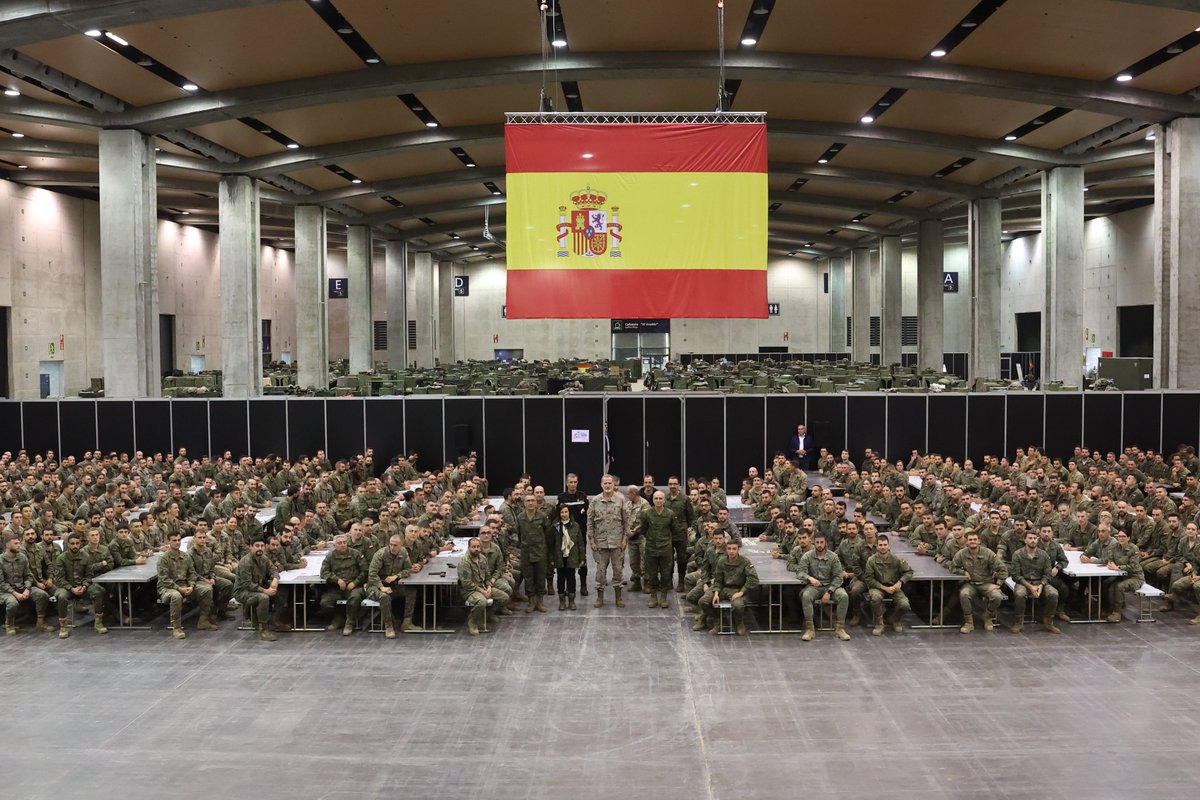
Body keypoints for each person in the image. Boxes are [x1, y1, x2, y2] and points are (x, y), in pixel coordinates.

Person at [157, 531, 215, 639]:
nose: (177, 542)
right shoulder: (163, 559)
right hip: (168, 588)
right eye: (174, 540)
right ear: (168, 542)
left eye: (179, 540)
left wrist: (191, 586)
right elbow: (164, 579)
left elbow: (192, 574)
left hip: (185, 585)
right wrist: (179, 589)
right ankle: (176, 627)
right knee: (176, 596)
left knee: (206, 589)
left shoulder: (185, 556)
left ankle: (203, 620)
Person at [797, 532, 851, 641]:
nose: (819, 545)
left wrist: (829, 592)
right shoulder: (807, 556)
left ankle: (840, 628)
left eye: (822, 542)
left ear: (826, 543)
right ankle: (810, 629)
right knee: (806, 595)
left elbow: (838, 577)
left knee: (844, 596)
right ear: (814, 543)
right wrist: (810, 578)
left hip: (831, 586)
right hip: (815, 586)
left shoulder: (833, 557)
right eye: (817, 542)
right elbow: (800, 572)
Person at [52, 533, 107, 638]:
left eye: (77, 543)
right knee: (61, 596)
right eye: (72, 544)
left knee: (98, 591)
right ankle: (64, 626)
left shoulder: (86, 557)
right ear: (68, 544)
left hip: (82, 586)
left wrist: (84, 586)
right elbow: (59, 579)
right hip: (67, 587)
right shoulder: (61, 558)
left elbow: (89, 576)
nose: (75, 546)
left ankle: (98, 622)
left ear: (80, 544)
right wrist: (71, 589)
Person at [951, 532, 1007, 634]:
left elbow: (1003, 569)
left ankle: (987, 616)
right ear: (967, 542)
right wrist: (963, 572)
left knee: (997, 596)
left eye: (974, 539)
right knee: (964, 594)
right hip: (970, 583)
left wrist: (998, 584)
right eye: (970, 540)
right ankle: (969, 622)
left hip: (986, 583)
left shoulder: (988, 553)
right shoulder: (961, 554)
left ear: (979, 541)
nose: (972, 542)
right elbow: (953, 567)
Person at [699, 539, 759, 635]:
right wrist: (716, 592)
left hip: (738, 589)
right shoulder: (721, 561)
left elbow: (753, 579)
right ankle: (718, 622)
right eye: (729, 549)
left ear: (738, 550)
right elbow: (718, 580)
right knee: (703, 601)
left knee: (738, 605)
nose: (731, 551)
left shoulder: (745, 562)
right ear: (726, 550)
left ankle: (739, 622)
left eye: (734, 549)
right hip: (723, 588)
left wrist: (741, 592)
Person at [586, 474, 628, 608]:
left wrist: (625, 540)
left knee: (618, 570)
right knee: (600, 571)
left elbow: (626, 521)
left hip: (617, 542)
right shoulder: (595, 501)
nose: (608, 485)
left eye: (610, 483)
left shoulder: (621, 500)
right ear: (601, 484)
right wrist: (591, 540)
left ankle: (618, 597)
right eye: (605, 483)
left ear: (613, 484)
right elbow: (590, 522)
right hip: (600, 542)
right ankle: (600, 597)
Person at [1008, 530, 1061, 634]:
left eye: (1034, 538)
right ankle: (1019, 622)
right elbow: (1016, 576)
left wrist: (1041, 585)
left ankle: (1048, 621)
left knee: (1053, 593)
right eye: (1030, 538)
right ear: (1025, 540)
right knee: (1020, 594)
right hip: (1023, 582)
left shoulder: (1043, 555)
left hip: (1040, 582)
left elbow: (1048, 574)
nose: (1032, 541)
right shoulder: (1018, 554)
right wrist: (1030, 587)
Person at [639, 490, 683, 609]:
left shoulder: (670, 514)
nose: (658, 500)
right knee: (652, 574)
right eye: (656, 498)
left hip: (665, 549)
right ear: (653, 500)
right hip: (651, 549)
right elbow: (643, 529)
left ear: (664, 500)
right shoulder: (647, 514)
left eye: (660, 498)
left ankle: (663, 597)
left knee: (665, 574)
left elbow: (675, 530)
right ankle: (653, 596)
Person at [863, 535, 912, 636]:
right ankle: (879, 623)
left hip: (894, 586)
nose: (883, 547)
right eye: (880, 545)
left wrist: (900, 582)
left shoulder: (896, 559)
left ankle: (894, 619)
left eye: (885, 545)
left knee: (905, 605)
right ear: (876, 546)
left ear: (889, 546)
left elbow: (908, 572)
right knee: (875, 598)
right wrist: (884, 588)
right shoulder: (871, 560)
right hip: (878, 587)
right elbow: (868, 579)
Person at [459, 536, 509, 635]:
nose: (476, 549)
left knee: (504, 597)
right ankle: (472, 621)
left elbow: (487, 576)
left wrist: (489, 587)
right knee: (482, 602)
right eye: (473, 547)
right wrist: (483, 592)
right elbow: (467, 583)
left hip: (483, 587)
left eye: (478, 547)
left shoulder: (482, 559)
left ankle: (485, 615)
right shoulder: (465, 562)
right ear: (469, 548)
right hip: (470, 591)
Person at [367, 533, 413, 638]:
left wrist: (396, 576)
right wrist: (381, 587)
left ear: (401, 545)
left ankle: (407, 621)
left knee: (411, 591)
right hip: (375, 585)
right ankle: (389, 626)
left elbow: (408, 569)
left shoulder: (403, 552)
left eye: (395, 545)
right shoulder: (380, 554)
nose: (392, 547)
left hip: (393, 584)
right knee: (384, 597)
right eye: (391, 544)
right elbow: (372, 574)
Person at [0, 534, 49, 635]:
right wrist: (15, 593)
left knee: (42, 595)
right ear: (8, 545)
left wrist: (27, 588)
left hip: (22, 587)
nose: (19, 546)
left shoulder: (22, 557)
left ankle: (40, 622)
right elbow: (1, 583)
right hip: (5, 590)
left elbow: (28, 575)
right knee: (12, 603)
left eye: (19, 543)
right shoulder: (1, 561)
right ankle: (9, 624)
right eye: (16, 543)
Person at [234, 535, 279, 641]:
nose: (260, 548)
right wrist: (266, 591)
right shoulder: (246, 562)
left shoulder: (263, 558)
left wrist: (275, 580)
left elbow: (273, 569)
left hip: (255, 588)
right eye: (257, 546)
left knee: (278, 590)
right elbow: (247, 584)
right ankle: (263, 629)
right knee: (263, 597)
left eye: (262, 546)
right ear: (251, 547)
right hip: (242, 591)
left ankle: (274, 620)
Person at [319, 533, 366, 635]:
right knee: (325, 603)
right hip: (336, 587)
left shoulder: (356, 554)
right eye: (340, 543)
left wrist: (355, 582)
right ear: (335, 546)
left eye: (344, 542)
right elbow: (324, 572)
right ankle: (338, 618)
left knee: (354, 599)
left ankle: (349, 623)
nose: (343, 545)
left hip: (353, 586)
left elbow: (365, 571)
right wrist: (336, 580)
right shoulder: (330, 556)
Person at [516, 494, 551, 613]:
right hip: (526, 553)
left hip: (540, 552)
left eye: (532, 500)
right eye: (528, 501)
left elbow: (548, 533)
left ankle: (540, 602)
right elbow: (519, 534)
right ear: (524, 503)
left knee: (541, 577)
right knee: (528, 578)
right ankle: (531, 601)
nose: (530, 503)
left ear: (536, 502)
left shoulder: (542, 516)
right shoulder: (520, 517)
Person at [558, 473, 590, 597]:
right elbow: (559, 515)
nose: (573, 484)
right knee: (566, 560)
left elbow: (586, 515)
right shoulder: (561, 498)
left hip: (580, 533)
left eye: (575, 482)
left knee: (583, 559)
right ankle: (568, 586)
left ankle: (583, 586)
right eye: (570, 482)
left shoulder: (582, 496)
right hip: (566, 534)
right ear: (566, 483)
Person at [1105, 530, 1144, 623]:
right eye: (1119, 536)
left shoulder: (1134, 549)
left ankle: (1117, 612)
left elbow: (1134, 566)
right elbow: (1110, 558)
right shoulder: (1114, 546)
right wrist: (1110, 563)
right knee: (1110, 586)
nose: (1121, 538)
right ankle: (1111, 609)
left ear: (1128, 538)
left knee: (1119, 587)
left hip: (1135, 577)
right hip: (1121, 576)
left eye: (1123, 536)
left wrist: (1118, 567)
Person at [551, 503, 584, 610]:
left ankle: (571, 601)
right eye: (562, 512)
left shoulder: (575, 526)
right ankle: (561, 601)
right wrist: (551, 558)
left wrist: (582, 557)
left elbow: (580, 543)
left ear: (569, 513)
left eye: (566, 512)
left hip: (572, 556)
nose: (564, 514)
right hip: (559, 557)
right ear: (559, 513)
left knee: (571, 579)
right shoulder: (555, 526)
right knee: (560, 579)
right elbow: (551, 543)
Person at [625, 484, 650, 592]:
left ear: (633, 493)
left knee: (644, 561)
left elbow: (645, 521)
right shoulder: (627, 505)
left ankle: (647, 583)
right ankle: (636, 582)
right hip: (631, 538)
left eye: (628, 493)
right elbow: (625, 519)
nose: (626, 496)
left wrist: (634, 531)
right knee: (633, 562)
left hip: (642, 537)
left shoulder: (644, 504)